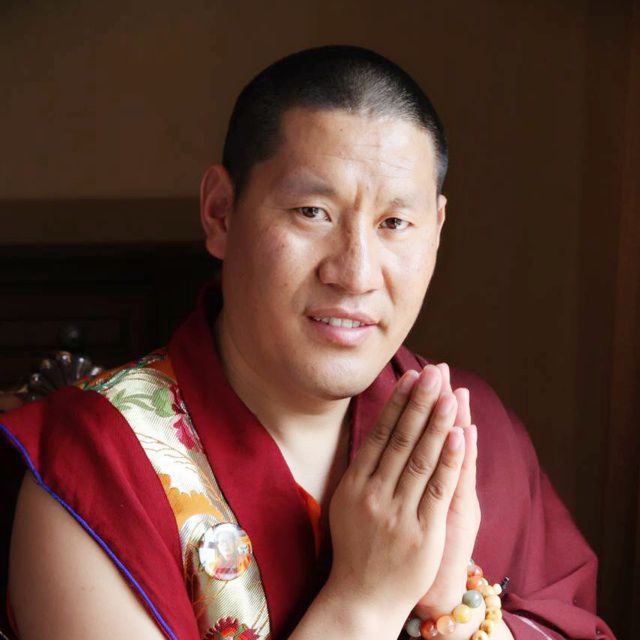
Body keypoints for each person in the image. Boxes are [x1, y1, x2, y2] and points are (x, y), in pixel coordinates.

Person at [0, 46, 615, 640]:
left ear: (436, 231)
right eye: (312, 212)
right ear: (220, 212)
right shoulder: (98, 464)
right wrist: (366, 601)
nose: (355, 273)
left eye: (395, 223)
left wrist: (450, 614)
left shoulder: (473, 432)